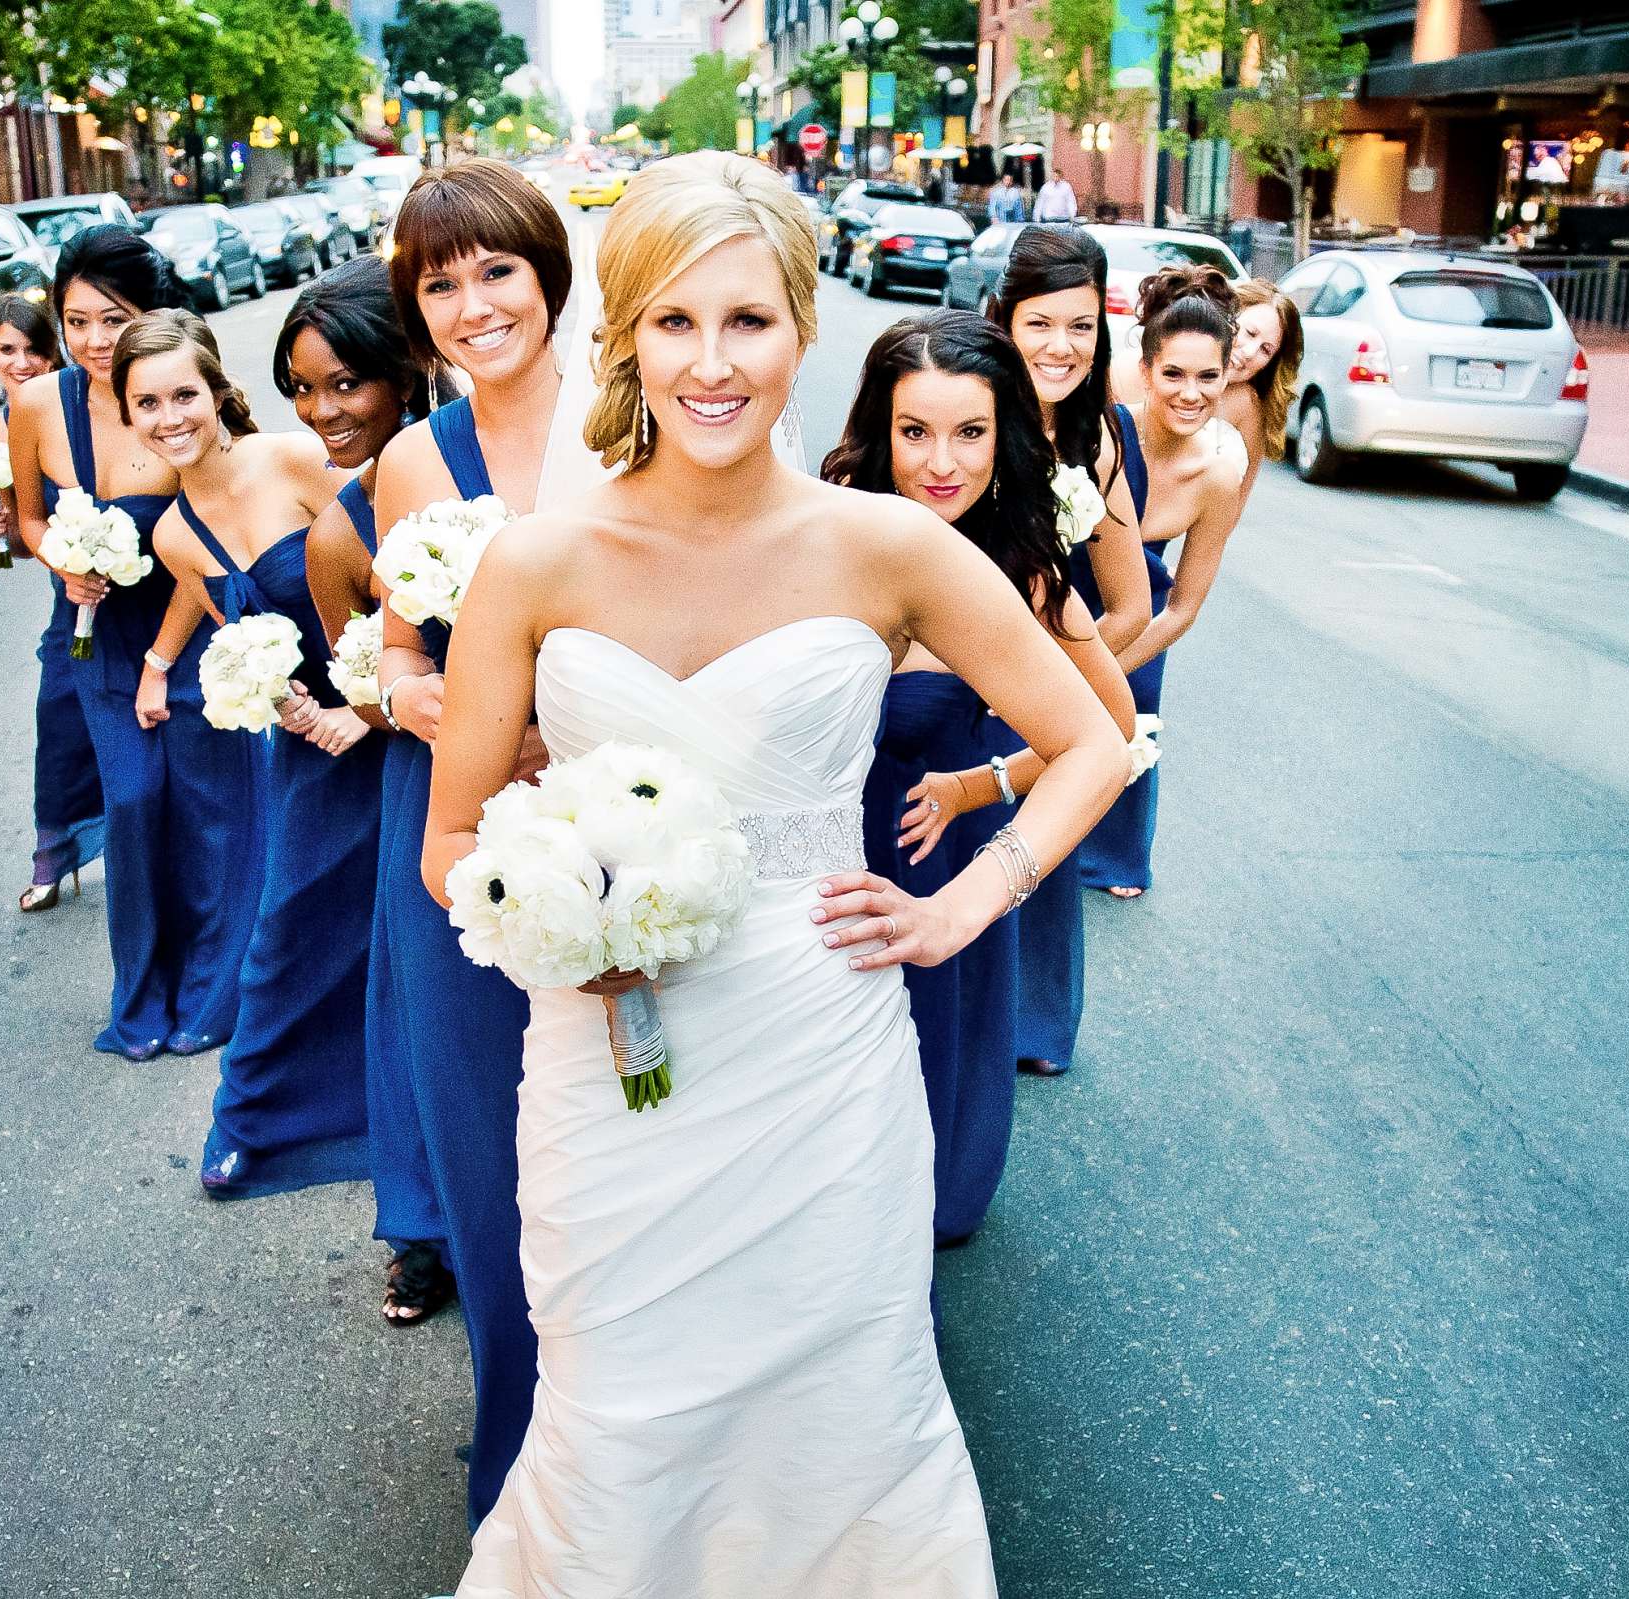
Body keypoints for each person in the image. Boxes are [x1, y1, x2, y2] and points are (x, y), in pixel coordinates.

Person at [423, 150, 1129, 1598]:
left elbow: (1096, 745)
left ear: (802, 330)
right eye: (674, 322)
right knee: (619, 1399)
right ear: (622, 334)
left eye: (747, 321)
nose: (712, 362)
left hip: (822, 1055)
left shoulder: (883, 546)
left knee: (835, 1407)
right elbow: (451, 841)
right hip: (607, 1058)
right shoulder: (533, 564)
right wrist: (557, 923)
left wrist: (957, 907)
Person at [824, 309, 1133, 1250]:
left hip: (932, 858)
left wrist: (979, 786)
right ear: (881, 430)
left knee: (929, 1076)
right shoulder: (826, 541)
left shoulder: (1025, 573)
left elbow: (1111, 730)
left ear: (1004, 440)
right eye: (915, 431)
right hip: (817, 850)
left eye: (970, 433)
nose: (941, 461)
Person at [370, 156, 568, 1529]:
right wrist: (435, 697)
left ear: (549, 271)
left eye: (496, 268)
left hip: (621, 819)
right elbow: (392, 651)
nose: (474, 302)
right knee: (496, 1162)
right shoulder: (407, 461)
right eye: (441, 283)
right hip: (458, 831)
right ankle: (521, 1448)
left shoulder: (640, 428)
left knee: (631, 1144)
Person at [115, 309, 374, 1205]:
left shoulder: (296, 463)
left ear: (218, 391)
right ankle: (253, 1121)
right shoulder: (173, 537)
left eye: (183, 392)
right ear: (129, 416)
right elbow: (245, 640)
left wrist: (365, 709)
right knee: (287, 931)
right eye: (146, 402)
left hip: (394, 719)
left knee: (400, 934)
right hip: (313, 749)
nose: (169, 415)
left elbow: (397, 580)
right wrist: (292, 706)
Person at [8, 226, 237, 1062]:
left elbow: (214, 542)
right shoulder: (36, 405)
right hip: (99, 640)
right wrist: (60, 563)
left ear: (152, 316)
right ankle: (143, 991)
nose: (96, 341)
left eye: (114, 319)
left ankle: (216, 988)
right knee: (136, 805)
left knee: (209, 810)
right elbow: (30, 518)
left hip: (189, 630)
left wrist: (164, 660)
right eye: (76, 321)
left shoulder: (177, 399)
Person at [285, 257, 458, 1327]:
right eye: (303, 389)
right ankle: (422, 1232)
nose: (324, 412)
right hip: (424, 781)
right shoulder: (341, 530)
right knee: (417, 1016)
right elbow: (364, 680)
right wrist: (384, 710)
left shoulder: (487, 464)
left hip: (564, 762)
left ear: (402, 374)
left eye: (345, 383)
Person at [984, 222, 1149, 1072]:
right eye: (1041, 322)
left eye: (1081, 326)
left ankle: (1037, 1026)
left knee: (1039, 855)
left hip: (1041, 706)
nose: (1061, 345)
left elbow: (1129, 605)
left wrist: (1057, 681)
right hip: (946, 688)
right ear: (1005, 319)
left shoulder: (1103, 438)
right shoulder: (963, 413)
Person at [1089, 265, 1250, 896]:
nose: (1190, 392)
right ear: (1147, 370)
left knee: (1133, 711)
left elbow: (1183, 608)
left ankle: (1115, 857)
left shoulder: (1219, 468)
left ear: (1227, 373)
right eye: (1174, 374)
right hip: (1072, 590)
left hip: (1146, 616)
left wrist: (1110, 660)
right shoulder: (1105, 433)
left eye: (1208, 376)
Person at [0, 293, 105, 915]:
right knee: (60, 723)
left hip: (135, 581)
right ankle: (55, 855)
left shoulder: (81, 405)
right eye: (8, 351)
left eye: (35, 349)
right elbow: (27, 535)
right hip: (70, 599)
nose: (23, 363)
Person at [1215, 277, 1302, 502]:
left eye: (1266, 350)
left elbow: (1234, 506)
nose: (1250, 352)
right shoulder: (1162, 366)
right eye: (1250, 333)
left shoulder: (1248, 406)